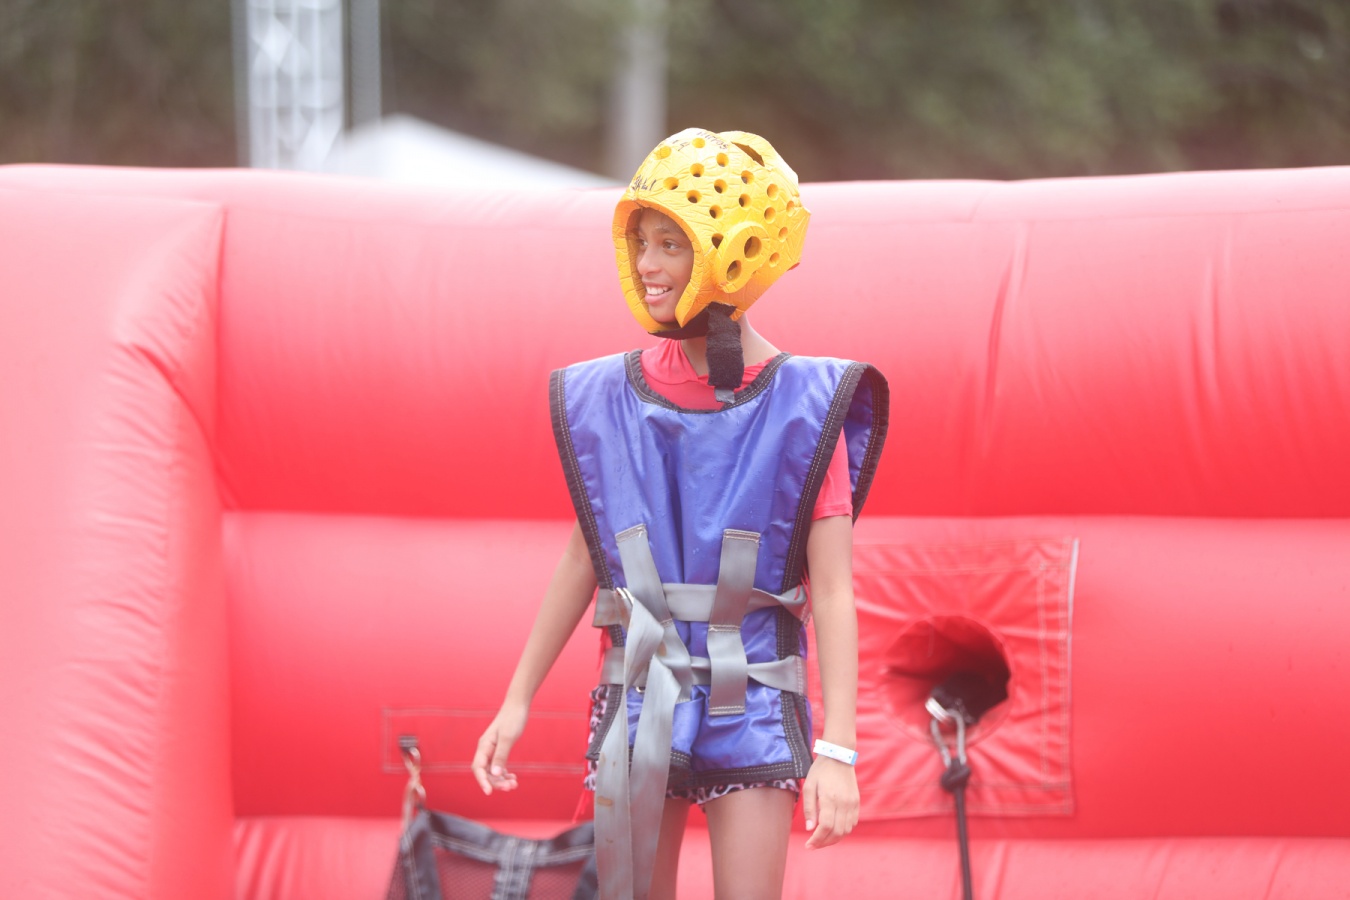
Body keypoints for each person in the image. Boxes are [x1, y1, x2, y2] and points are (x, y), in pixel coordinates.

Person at [472, 128, 888, 900]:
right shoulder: (607, 398)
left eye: (670, 244)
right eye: (642, 243)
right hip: (640, 694)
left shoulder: (807, 406)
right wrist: (517, 699)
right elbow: (584, 557)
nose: (646, 265)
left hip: (753, 696)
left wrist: (839, 750)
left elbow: (833, 591)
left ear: (730, 255)